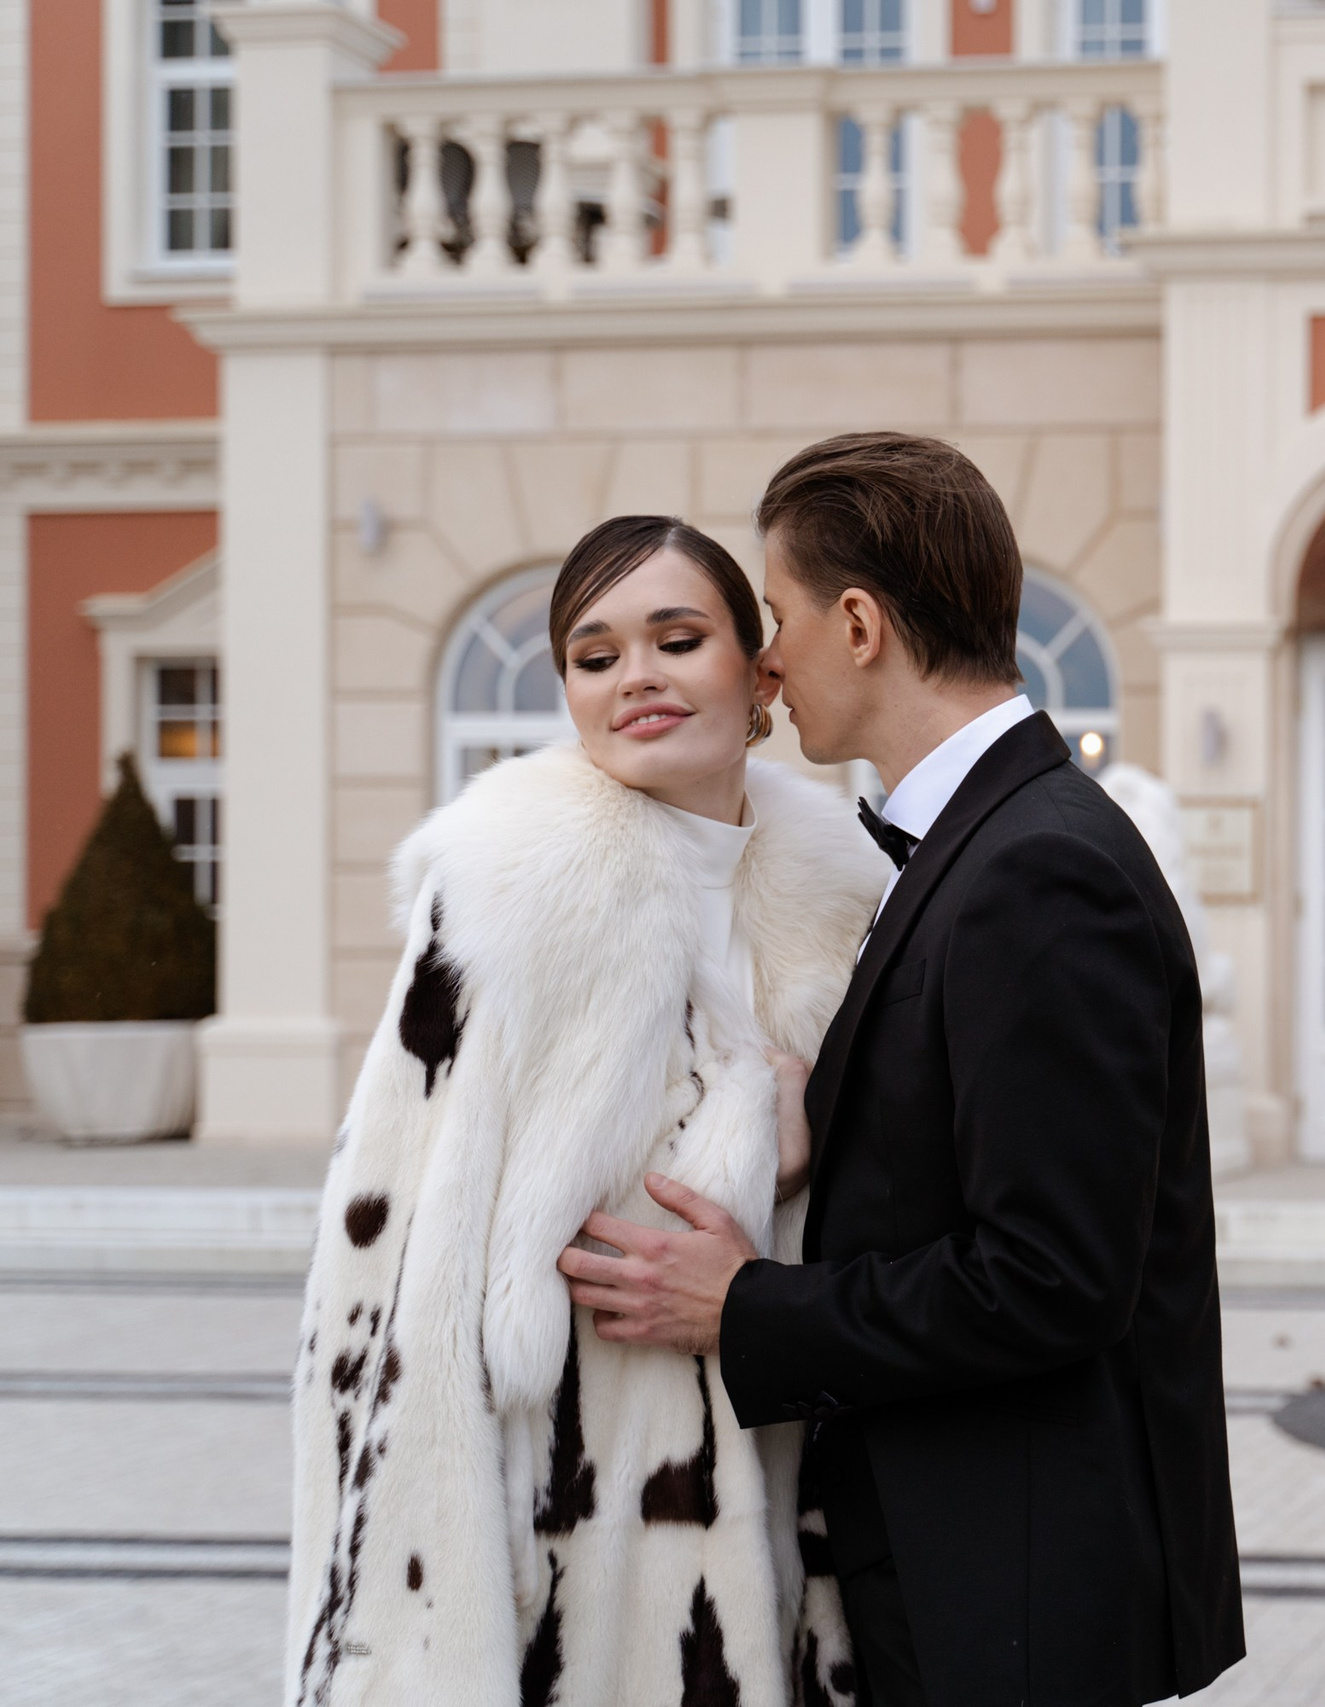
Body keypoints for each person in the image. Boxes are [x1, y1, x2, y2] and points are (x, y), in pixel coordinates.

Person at [555, 433, 1247, 1707]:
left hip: (1011, 1603)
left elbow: (1050, 1278)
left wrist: (746, 1309)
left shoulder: (1039, 867)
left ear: (861, 625)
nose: (768, 660)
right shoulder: (980, 844)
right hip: (967, 1583)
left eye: (779, 617)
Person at [285, 517, 888, 1707]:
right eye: (595, 656)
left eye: (678, 639)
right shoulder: (506, 899)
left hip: (796, 1553)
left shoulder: (852, 912)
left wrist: (801, 1157)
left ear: (759, 673)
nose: (637, 677)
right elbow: (395, 1287)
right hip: (565, 1569)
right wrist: (431, 1638)